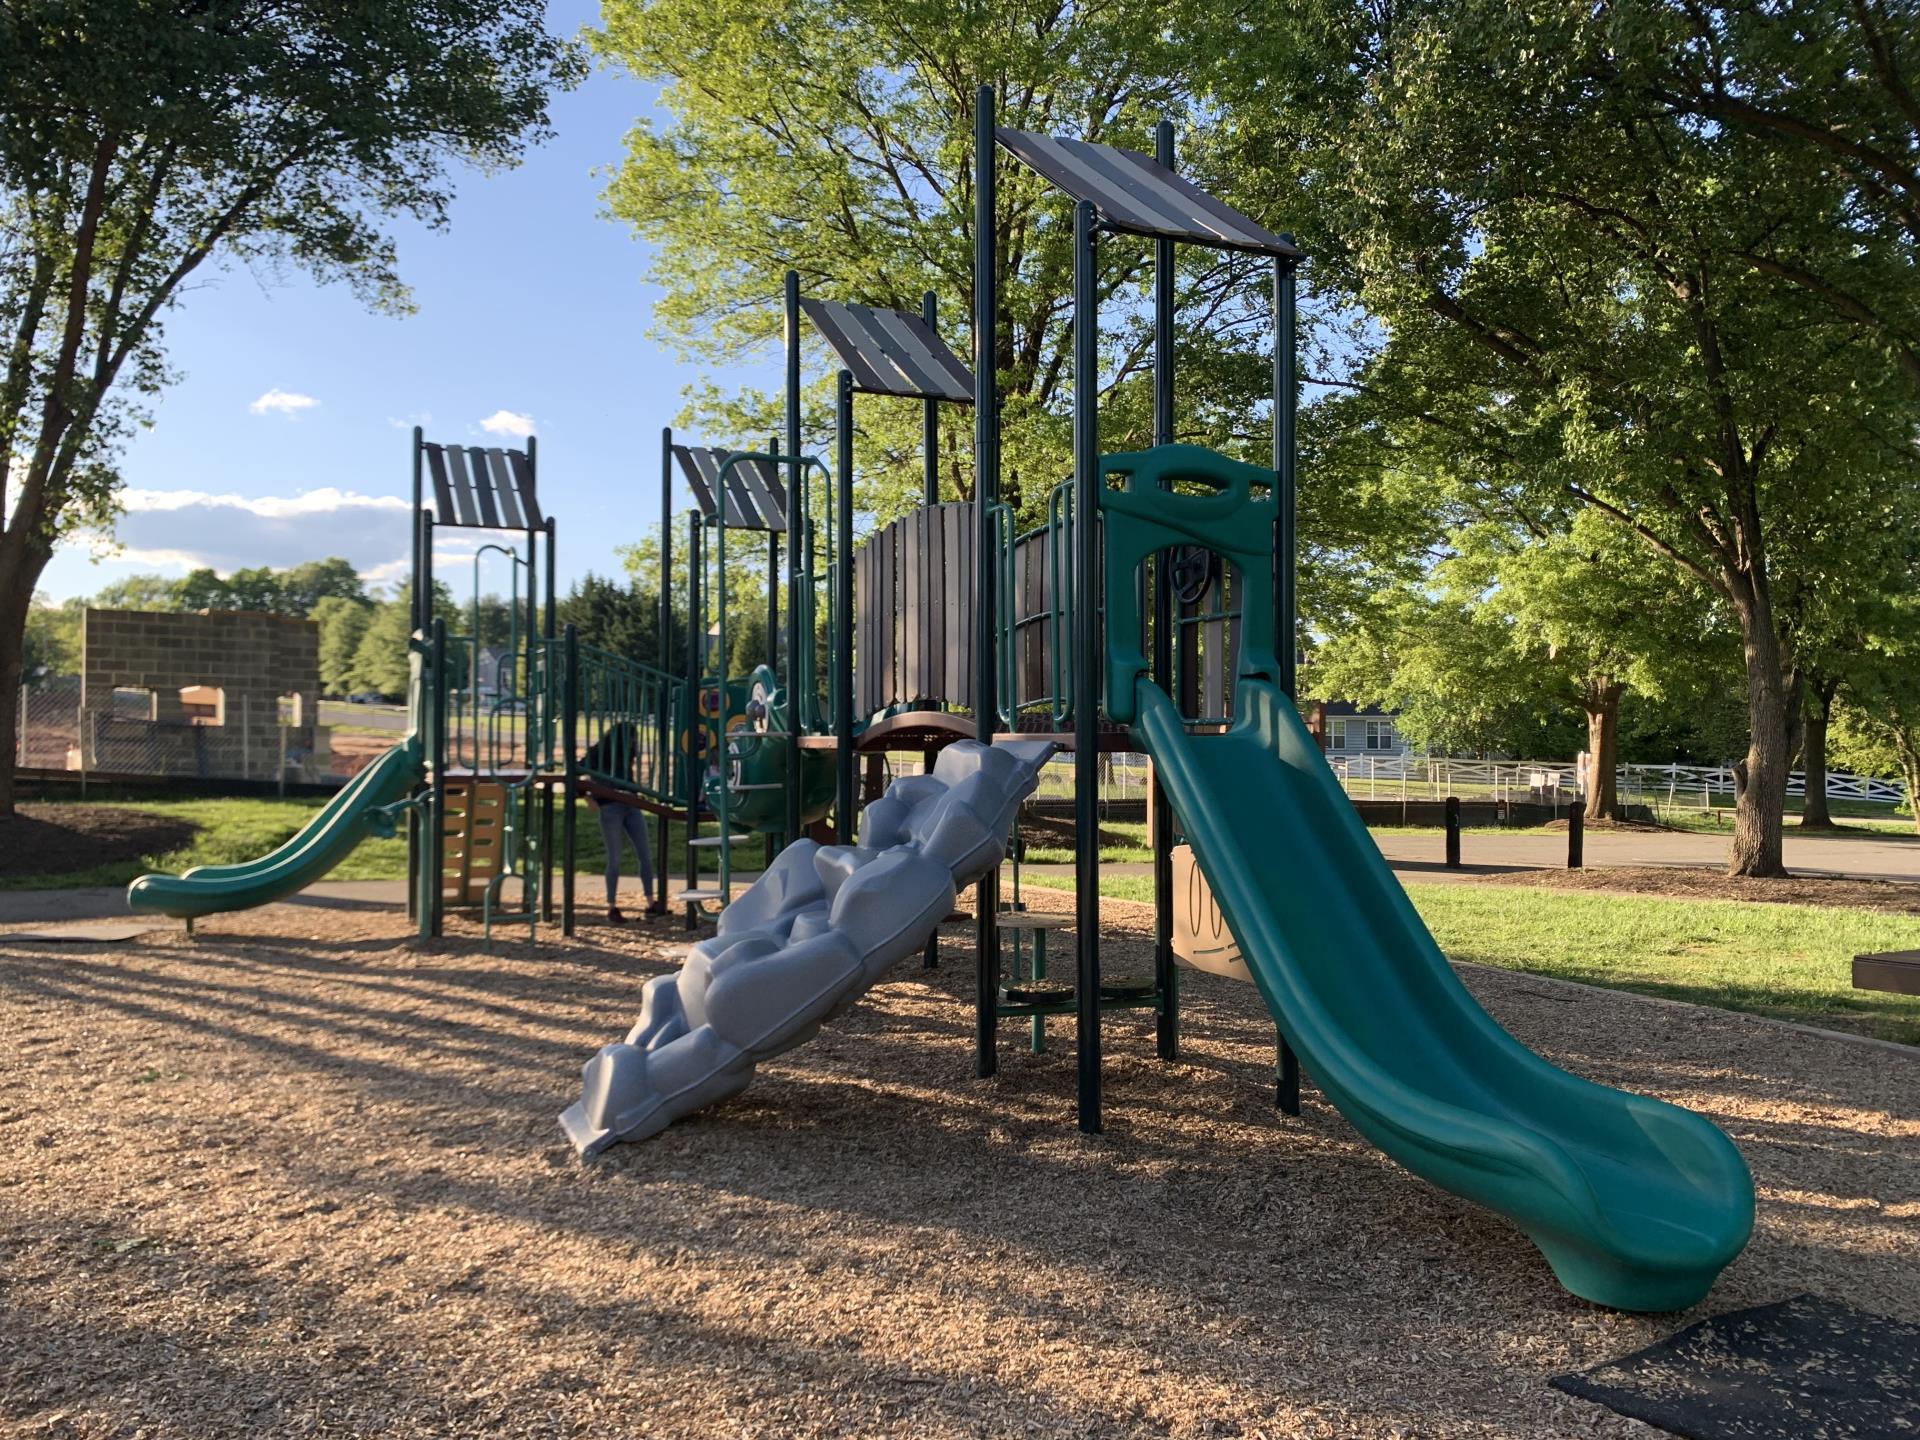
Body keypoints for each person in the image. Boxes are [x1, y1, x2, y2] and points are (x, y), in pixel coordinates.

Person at [582, 725, 667, 924]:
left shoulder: (627, 752)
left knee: (644, 854)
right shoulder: (598, 752)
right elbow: (579, 769)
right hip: (610, 807)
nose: (634, 743)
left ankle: (650, 902)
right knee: (615, 858)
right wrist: (587, 796)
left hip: (631, 804)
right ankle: (612, 906)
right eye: (632, 738)